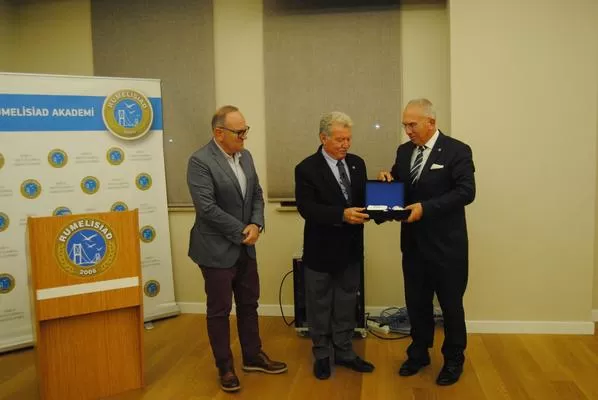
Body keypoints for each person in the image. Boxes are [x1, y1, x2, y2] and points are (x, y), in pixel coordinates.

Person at [187, 105, 287, 393]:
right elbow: (206, 208)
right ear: (219, 133)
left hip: (245, 246)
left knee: (249, 303)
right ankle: (225, 366)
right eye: (239, 132)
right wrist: (242, 231)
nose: (244, 136)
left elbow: (256, 194)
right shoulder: (200, 161)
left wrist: (256, 223)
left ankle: (252, 356)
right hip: (215, 248)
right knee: (219, 310)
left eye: (245, 130)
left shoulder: (246, 156)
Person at [378, 98, 475, 386]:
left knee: (451, 306)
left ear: (431, 122)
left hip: (447, 248)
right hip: (413, 246)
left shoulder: (457, 150)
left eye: (412, 125)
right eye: (405, 125)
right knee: (417, 304)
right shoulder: (404, 151)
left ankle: (454, 359)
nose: (408, 131)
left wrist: (426, 208)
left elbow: (466, 192)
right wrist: (388, 182)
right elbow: (402, 188)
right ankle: (418, 353)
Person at [295, 111, 375, 380]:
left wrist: (384, 190)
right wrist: (341, 215)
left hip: (351, 249)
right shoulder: (306, 168)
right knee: (319, 304)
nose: (346, 145)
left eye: (349, 139)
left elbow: (364, 201)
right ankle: (321, 354)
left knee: (346, 302)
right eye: (340, 139)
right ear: (323, 138)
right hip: (320, 250)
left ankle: (344, 351)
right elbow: (307, 208)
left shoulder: (357, 164)